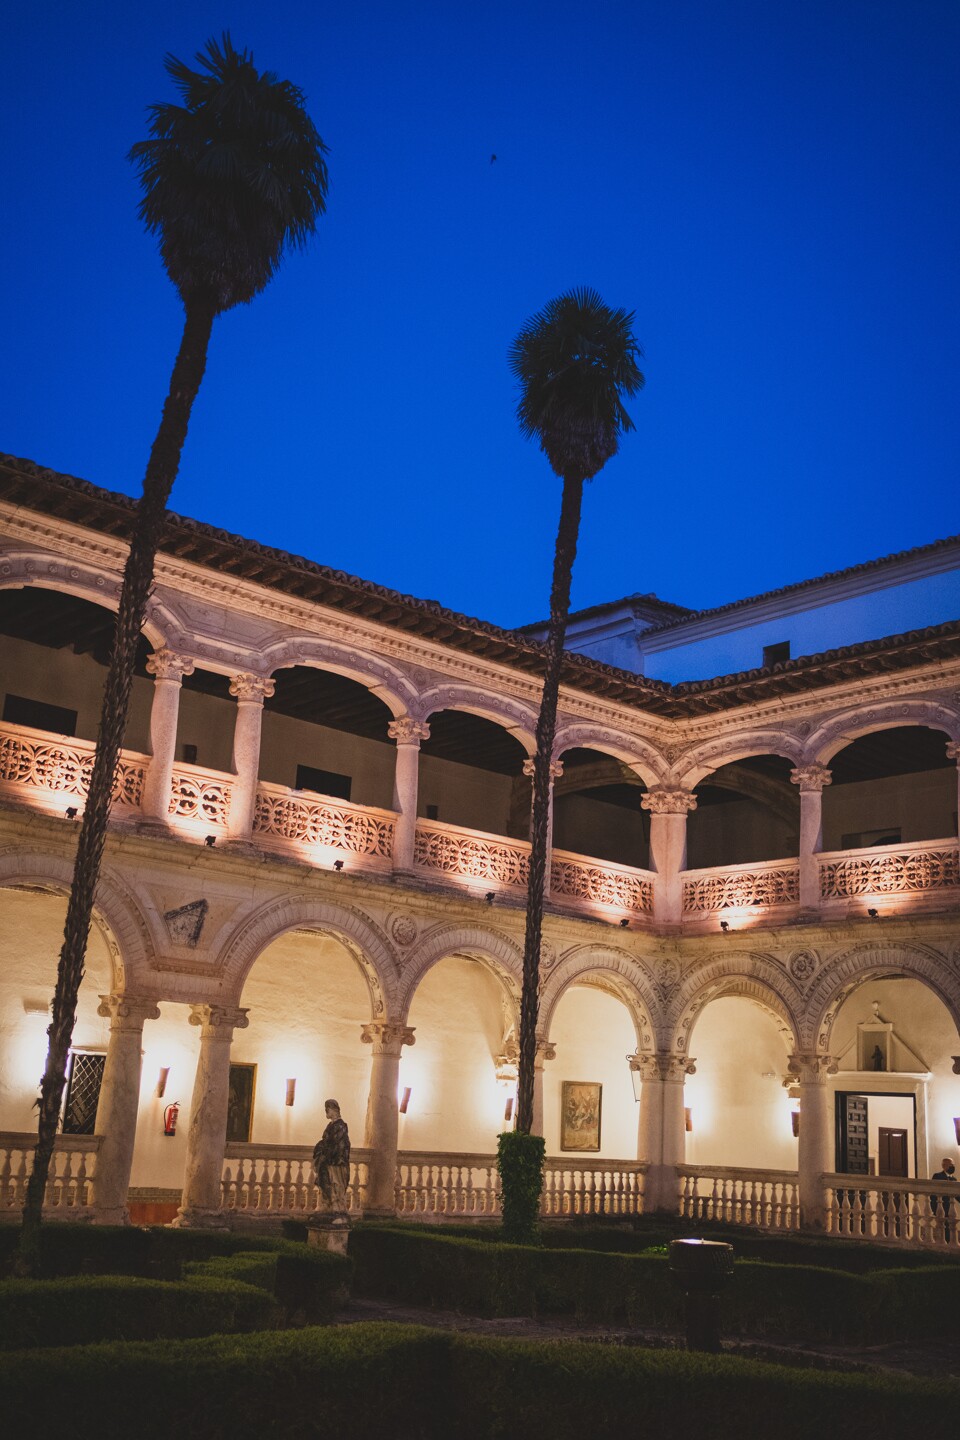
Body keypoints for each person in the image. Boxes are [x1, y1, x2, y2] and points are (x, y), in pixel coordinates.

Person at [313, 1099, 351, 1214]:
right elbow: (326, 1141)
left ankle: (336, 1205)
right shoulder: (331, 1125)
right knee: (326, 1182)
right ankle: (328, 1204)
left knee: (336, 1183)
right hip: (328, 1161)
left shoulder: (341, 1126)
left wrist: (325, 1150)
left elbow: (336, 1143)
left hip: (336, 1162)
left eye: (327, 1109)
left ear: (333, 1110)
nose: (326, 1112)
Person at [930, 1157, 956, 1239]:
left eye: (953, 1165)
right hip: (940, 1207)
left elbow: (956, 1194)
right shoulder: (937, 1176)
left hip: (950, 1207)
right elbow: (933, 1194)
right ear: (944, 1166)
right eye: (951, 1165)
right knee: (941, 1227)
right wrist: (933, 1208)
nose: (953, 1166)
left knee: (949, 1228)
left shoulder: (954, 1179)